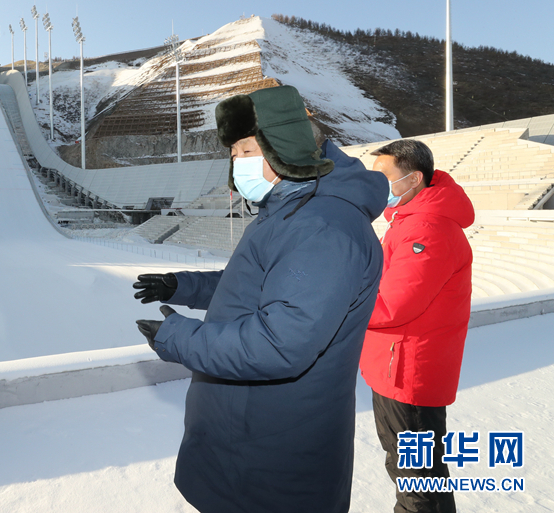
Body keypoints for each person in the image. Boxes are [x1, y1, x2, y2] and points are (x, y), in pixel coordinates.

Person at [134, 85, 388, 513]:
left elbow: (280, 342)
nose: (236, 161)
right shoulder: (289, 209)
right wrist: (183, 286)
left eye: (244, 148)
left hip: (269, 448)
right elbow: (253, 285)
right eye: (233, 151)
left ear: (281, 146)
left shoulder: (322, 228)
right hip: (244, 431)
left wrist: (179, 338)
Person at [360, 139, 474, 513]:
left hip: (409, 372)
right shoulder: (410, 220)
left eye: (384, 178)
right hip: (398, 365)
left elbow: (394, 305)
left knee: (415, 480)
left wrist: (334, 302)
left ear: (414, 179)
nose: (377, 187)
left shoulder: (426, 229)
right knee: (421, 475)